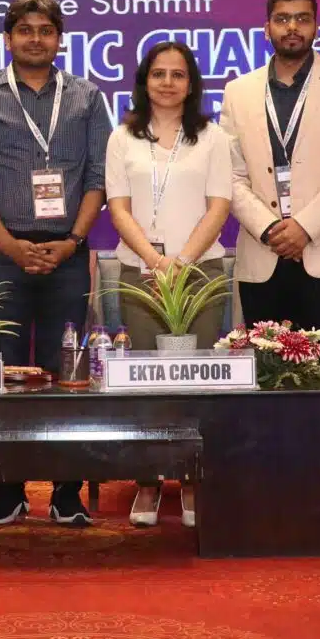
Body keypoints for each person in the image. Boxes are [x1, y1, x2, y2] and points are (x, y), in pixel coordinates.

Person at [221, 0, 320, 530]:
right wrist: (270, 228)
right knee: (268, 378)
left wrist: (304, 226)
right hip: (264, 253)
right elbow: (230, 176)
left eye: (303, 19)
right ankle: (273, 479)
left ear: (316, 25)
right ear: (266, 27)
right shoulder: (238, 91)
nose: (293, 28)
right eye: (283, 19)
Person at [0, 0, 110, 527]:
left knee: (68, 373)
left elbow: (98, 176)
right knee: (5, 373)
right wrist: (9, 246)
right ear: (8, 38)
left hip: (67, 250)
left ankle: (66, 491)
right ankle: (9, 488)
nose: (35, 39)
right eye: (25, 30)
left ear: (59, 39)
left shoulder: (86, 96)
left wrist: (73, 241)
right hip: (1, 254)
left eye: (45, 31)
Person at [107, 40, 232, 529]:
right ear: (144, 81)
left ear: (191, 83)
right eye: (158, 73)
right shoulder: (123, 137)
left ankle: (194, 480)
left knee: (197, 380)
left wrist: (181, 262)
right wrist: (155, 260)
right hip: (141, 272)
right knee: (147, 381)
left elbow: (219, 206)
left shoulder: (212, 137)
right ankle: (149, 480)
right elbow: (118, 208)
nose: (167, 83)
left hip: (200, 271)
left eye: (178, 74)